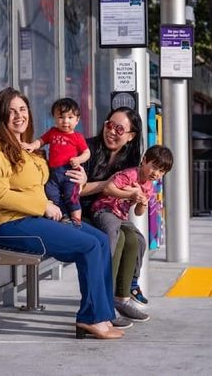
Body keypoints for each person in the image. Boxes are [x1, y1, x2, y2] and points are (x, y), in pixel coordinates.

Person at [0, 87, 122, 340]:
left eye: (22, 109)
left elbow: (52, 179)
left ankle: (103, 313)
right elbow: (0, 196)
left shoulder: (24, 148)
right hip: (10, 225)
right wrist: (43, 206)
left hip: (35, 219)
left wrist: (81, 177)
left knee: (98, 239)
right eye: (11, 112)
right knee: (87, 245)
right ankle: (92, 317)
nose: (19, 116)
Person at [66, 107, 149, 325]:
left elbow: (125, 195)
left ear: (130, 136)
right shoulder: (86, 149)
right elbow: (75, 190)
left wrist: (135, 197)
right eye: (109, 125)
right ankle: (103, 303)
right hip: (78, 212)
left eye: (119, 129)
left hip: (106, 212)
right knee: (115, 239)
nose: (111, 131)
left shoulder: (129, 159)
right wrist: (107, 185)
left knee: (135, 240)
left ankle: (121, 297)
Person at [91, 145, 173, 319]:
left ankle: (132, 284)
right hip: (104, 210)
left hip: (120, 217)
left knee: (140, 240)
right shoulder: (130, 174)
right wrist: (130, 194)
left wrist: (142, 203)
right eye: (154, 167)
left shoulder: (149, 186)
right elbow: (108, 189)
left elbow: (138, 213)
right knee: (114, 236)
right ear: (144, 160)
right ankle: (105, 272)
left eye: (161, 172)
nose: (156, 173)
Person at [23, 98, 90, 225]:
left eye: (70, 117)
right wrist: (32, 145)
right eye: (61, 117)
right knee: (51, 193)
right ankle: (63, 216)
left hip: (69, 172)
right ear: (54, 117)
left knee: (71, 196)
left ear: (77, 119)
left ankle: (77, 221)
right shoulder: (52, 132)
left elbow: (87, 153)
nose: (65, 121)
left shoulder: (77, 137)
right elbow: (41, 141)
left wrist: (78, 159)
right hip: (54, 173)